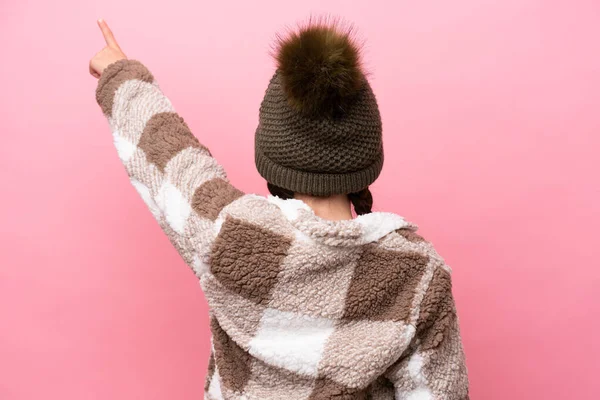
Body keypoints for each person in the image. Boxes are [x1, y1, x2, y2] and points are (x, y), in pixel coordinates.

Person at [89, 17, 469, 400]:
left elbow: (172, 158)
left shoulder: (230, 236)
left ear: (272, 155)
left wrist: (120, 74)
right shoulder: (420, 276)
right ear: (366, 159)